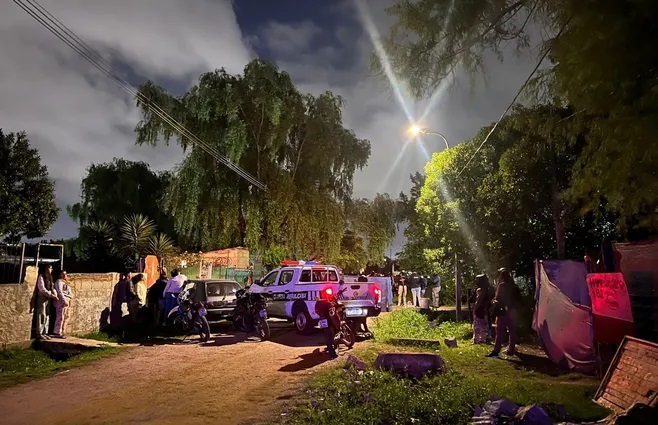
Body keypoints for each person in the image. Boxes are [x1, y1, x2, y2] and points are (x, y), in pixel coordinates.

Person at [487, 268, 522, 358]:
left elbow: (498, 298)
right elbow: (519, 299)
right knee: (512, 331)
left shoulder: (502, 285)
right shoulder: (515, 286)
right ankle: (511, 349)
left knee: (500, 331)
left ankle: (496, 351)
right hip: (513, 311)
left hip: (503, 311)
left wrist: (494, 301)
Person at [32, 264, 58, 340]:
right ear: (46, 269)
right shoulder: (41, 277)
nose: (51, 270)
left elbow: (52, 288)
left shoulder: (50, 278)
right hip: (42, 298)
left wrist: (55, 295)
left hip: (48, 299)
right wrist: (51, 295)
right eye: (50, 268)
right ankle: (39, 333)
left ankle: (45, 332)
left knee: (47, 315)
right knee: (41, 314)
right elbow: (42, 289)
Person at [53, 270, 73, 338]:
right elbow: (60, 291)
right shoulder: (59, 281)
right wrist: (63, 300)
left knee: (67, 316)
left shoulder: (66, 282)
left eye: (65, 274)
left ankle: (63, 331)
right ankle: (57, 332)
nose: (64, 276)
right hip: (62, 300)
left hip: (68, 299)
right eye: (62, 274)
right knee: (61, 316)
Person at [472, 274, 492, 344]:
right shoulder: (486, 289)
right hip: (483, 310)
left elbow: (479, 301)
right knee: (483, 324)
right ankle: (484, 338)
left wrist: (475, 309)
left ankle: (481, 338)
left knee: (480, 325)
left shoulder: (483, 290)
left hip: (482, 310)